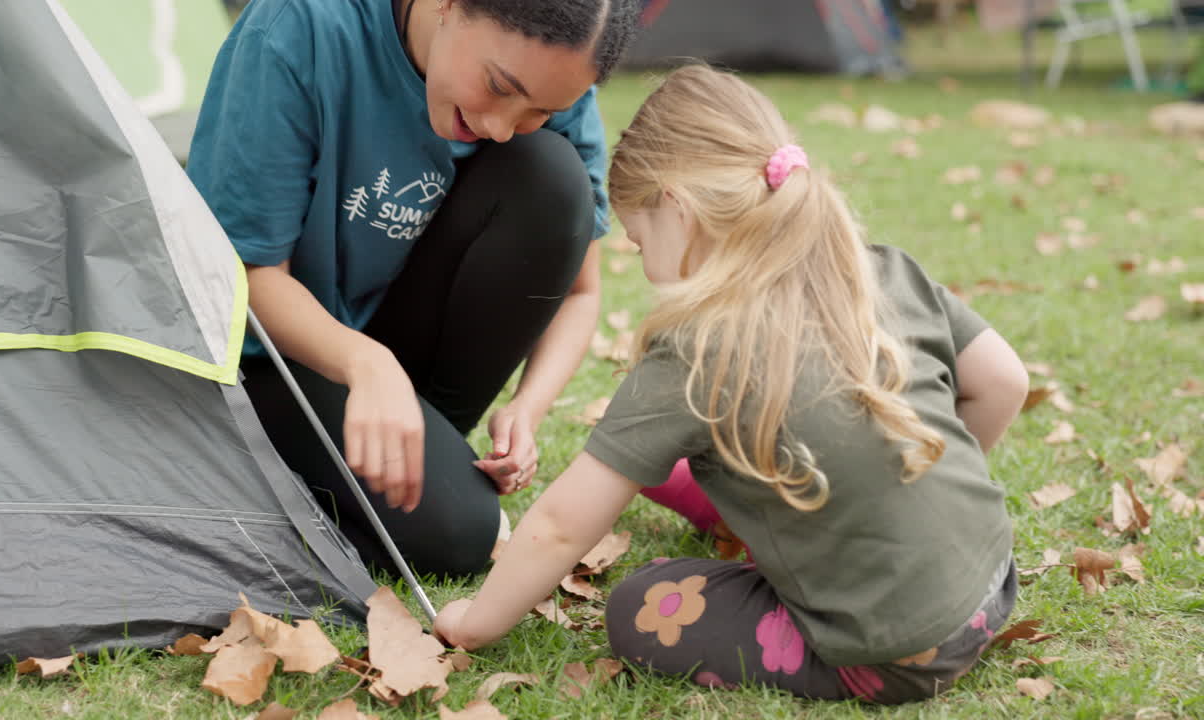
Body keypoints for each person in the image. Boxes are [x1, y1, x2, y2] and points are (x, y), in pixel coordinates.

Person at [434, 65, 1030, 704]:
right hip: (992, 585)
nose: (645, 265)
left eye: (639, 242)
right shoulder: (875, 267)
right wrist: (901, 493)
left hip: (891, 653)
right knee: (650, 462)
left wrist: (476, 621)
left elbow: (558, 525)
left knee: (643, 604)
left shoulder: (696, 348)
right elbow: (1004, 382)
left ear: (678, 211)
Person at [187, 0, 641, 577]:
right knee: (459, 537)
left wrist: (527, 409)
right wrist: (366, 364)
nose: (501, 128)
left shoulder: (551, 67)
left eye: (540, 110)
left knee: (551, 176)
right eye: (498, 87)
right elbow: (244, 277)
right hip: (268, 358)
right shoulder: (298, 29)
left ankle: (423, 448)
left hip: (392, 354)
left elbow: (581, 292)